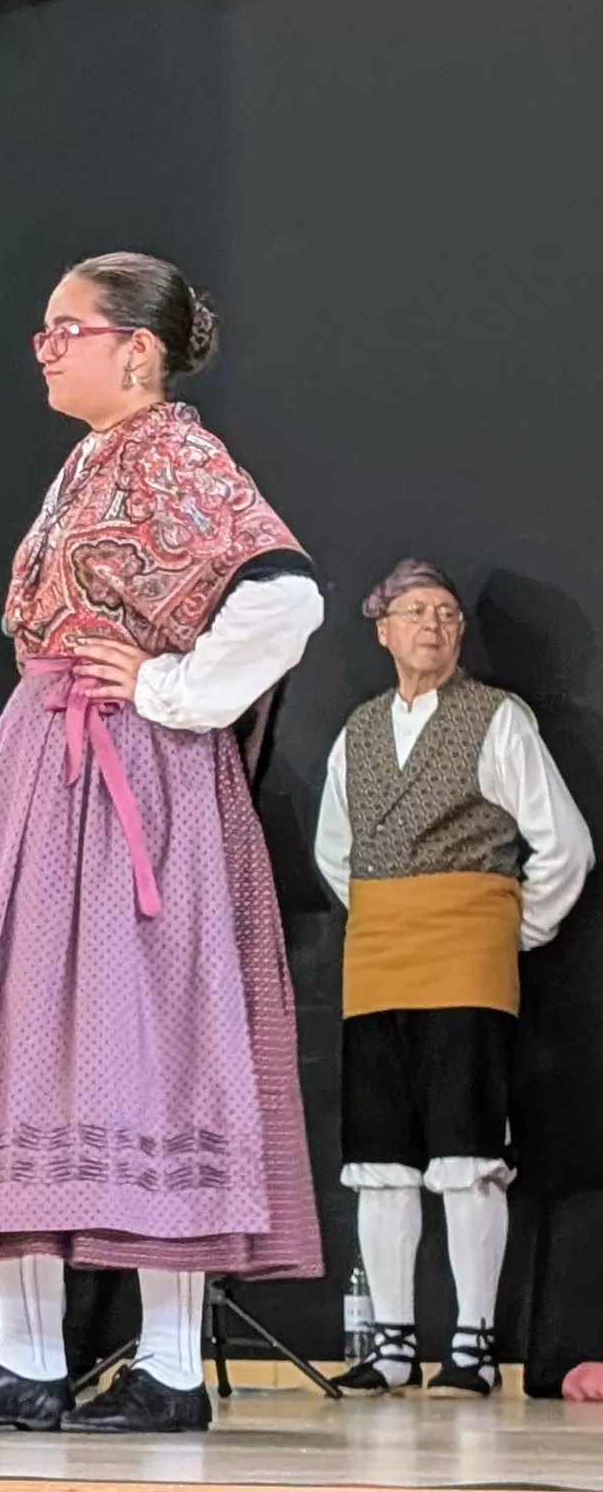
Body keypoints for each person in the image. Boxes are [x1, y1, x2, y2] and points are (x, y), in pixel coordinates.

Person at [0, 252, 325, 1434]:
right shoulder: (91, 459)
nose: (44, 347)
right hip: (45, 770)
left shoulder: (177, 453)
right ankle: (29, 1354)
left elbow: (287, 596)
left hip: (128, 779)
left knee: (139, 1039)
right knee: (21, 1038)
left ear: (137, 348)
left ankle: (167, 1365)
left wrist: (171, 687)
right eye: (45, 328)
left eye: (67, 328)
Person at [315, 559, 591, 1397]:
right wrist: (388, 914)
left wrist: (507, 927)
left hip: (467, 959)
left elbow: (566, 844)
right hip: (380, 961)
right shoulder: (358, 731)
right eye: (414, 613)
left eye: (446, 614)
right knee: (381, 1158)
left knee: (468, 1151)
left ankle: (472, 1344)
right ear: (382, 629)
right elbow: (339, 850)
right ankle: (392, 1345)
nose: (432, 626)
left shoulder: (497, 719)